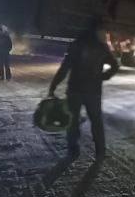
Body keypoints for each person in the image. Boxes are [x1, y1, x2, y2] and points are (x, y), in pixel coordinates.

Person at [48, 19, 119, 159]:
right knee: (95, 121)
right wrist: (102, 76)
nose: (105, 33)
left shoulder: (78, 44)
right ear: (96, 30)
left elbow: (65, 68)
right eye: (103, 30)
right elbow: (115, 66)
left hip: (76, 89)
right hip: (92, 91)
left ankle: (73, 150)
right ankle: (100, 151)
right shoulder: (101, 47)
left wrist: (54, 85)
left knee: (73, 120)